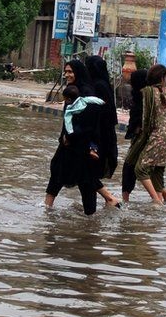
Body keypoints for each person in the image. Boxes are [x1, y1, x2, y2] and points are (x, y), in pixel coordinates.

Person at [45, 60, 120, 214]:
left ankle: (92, 215)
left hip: (81, 143)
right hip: (69, 143)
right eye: (65, 71)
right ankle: (47, 207)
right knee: (58, 170)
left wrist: (73, 137)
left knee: (85, 179)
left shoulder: (86, 92)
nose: (67, 75)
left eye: (70, 72)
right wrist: (64, 137)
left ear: (78, 72)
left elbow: (89, 122)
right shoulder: (73, 90)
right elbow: (68, 118)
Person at [136, 64, 166, 204]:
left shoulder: (147, 92)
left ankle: (156, 200)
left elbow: (146, 119)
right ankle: (162, 201)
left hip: (156, 136)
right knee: (158, 171)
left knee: (140, 169)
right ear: (163, 79)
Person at [85, 56, 119, 179]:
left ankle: (109, 198)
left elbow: (102, 111)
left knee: (92, 170)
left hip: (100, 132)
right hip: (104, 131)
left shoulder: (98, 86)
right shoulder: (104, 84)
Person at [121, 69, 148, 202]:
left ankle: (162, 198)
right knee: (142, 170)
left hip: (141, 138)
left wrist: (137, 130)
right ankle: (163, 197)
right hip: (140, 137)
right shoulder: (140, 96)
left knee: (130, 167)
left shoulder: (144, 98)